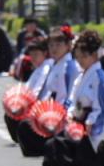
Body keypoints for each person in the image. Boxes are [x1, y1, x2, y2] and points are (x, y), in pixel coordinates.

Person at [42, 29, 104, 166]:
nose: (80, 60)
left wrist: (91, 123)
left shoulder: (99, 77)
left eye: (84, 56)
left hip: (90, 128)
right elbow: (71, 100)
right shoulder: (81, 76)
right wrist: (68, 115)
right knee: (52, 144)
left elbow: (102, 108)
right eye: (78, 56)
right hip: (77, 123)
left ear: (94, 55)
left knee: (60, 147)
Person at [16, 25, 79, 157]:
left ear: (68, 45)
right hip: (50, 110)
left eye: (58, 44)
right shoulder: (56, 64)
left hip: (59, 114)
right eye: (51, 45)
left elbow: (69, 95)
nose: (54, 49)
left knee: (26, 127)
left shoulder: (69, 67)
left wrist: (60, 115)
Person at [4, 38, 52, 143]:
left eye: (36, 54)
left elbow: (37, 90)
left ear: (44, 53)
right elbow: (27, 88)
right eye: (31, 54)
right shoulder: (39, 68)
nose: (33, 58)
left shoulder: (46, 67)